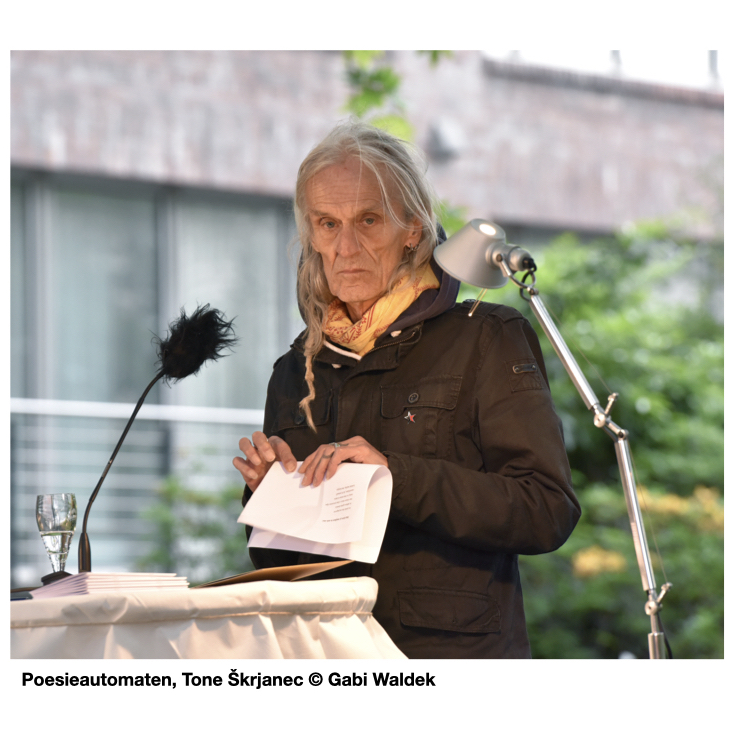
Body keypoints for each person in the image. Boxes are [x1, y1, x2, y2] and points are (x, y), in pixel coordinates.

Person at [233, 120, 580, 658]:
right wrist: (270, 496)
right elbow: (280, 565)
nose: (345, 247)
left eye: (368, 220)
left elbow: (546, 509)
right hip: (323, 657)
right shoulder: (295, 369)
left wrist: (394, 477)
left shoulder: (486, 337)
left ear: (412, 229)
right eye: (327, 224)